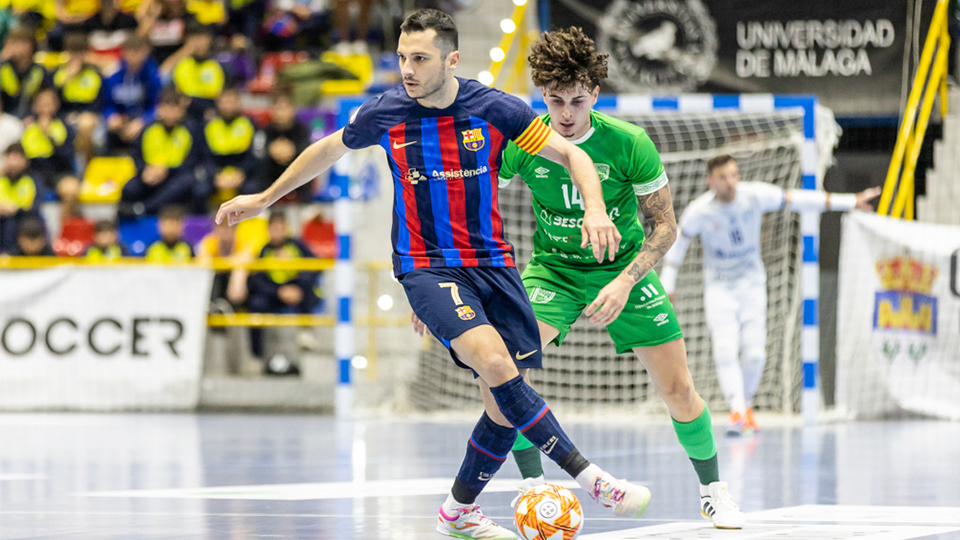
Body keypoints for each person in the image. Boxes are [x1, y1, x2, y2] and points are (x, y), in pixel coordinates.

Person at [217, 10, 645, 540]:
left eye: (419, 58)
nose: (407, 69)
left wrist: (596, 208)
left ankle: (458, 511)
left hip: (493, 265)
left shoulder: (495, 109)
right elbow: (326, 150)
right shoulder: (388, 111)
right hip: (425, 267)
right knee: (493, 362)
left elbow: (572, 157)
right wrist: (263, 198)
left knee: (505, 406)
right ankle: (592, 477)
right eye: (401, 57)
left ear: (452, 59)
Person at [412, 26, 746, 530]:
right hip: (555, 271)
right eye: (554, 100)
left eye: (576, 100)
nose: (565, 115)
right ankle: (533, 484)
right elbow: (470, 211)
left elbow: (666, 226)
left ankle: (713, 491)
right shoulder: (523, 141)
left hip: (623, 270)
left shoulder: (629, 143)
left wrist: (626, 281)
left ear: (594, 94)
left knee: (678, 388)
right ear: (541, 95)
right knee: (500, 369)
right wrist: (433, 281)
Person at [660, 155, 881, 435]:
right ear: (710, 181)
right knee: (726, 348)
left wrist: (849, 201)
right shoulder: (699, 210)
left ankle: (746, 406)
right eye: (723, 177)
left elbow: (800, 199)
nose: (730, 182)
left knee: (755, 355)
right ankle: (737, 411)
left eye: (734, 175)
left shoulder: (754, 196)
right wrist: (668, 283)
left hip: (752, 285)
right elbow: (679, 242)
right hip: (718, 288)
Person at [247, 212, 320, 369]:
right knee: (256, 304)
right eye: (274, 229)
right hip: (275, 293)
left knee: (308, 284)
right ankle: (256, 353)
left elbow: (315, 266)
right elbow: (258, 281)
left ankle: (306, 330)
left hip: (297, 290)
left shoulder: (297, 245)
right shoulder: (264, 250)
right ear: (268, 230)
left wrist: (297, 285)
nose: (278, 232)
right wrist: (279, 292)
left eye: (281, 228)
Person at [119, 88, 202, 218]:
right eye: (166, 107)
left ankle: (144, 209)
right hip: (149, 175)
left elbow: (192, 162)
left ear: (181, 110)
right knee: (129, 188)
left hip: (175, 177)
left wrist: (167, 170)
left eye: (174, 108)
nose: (170, 113)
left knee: (190, 182)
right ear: (160, 109)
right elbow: (136, 155)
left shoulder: (190, 130)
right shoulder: (148, 129)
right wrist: (145, 171)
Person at [21, 88, 82, 218]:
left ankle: (61, 233)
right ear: (35, 106)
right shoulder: (25, 126)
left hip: (58, 171)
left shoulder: (65, 126)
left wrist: (49, 135)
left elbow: (67, 155)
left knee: (71, 190)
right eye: (41, 103)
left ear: (56, 105)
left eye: (48, 103)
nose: (45, 107)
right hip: (32, 172)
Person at [103, 35, 162, 153]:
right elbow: (106, 104)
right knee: (103, 134)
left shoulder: (153, 76)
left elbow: (156, 107)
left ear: (145, 52)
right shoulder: (112, 75)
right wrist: (111, 116)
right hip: (120, 119)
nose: (134, 56)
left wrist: (142, 121)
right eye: (130, 52)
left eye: (138, 52)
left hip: (142, 120)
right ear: (124, 53)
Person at [201, 84, 257, 208]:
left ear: (238, 103)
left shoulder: (249, 124)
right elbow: (205, 157)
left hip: (241, 172)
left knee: (253, 188)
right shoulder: (209, 126)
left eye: (232, 102)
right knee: (200, 190)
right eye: (224, 102)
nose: (228, 106)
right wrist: (215, 176)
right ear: (218, 103)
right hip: (217, 173)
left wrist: (241, 173)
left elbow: (253, 155)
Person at [52, 32, 104, 165]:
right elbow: (51, 100)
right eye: (72, 52)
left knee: (85, 127)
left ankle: (85, 169)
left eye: (80, 52)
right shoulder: (59, 73)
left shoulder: (94, 72)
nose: (76, 56)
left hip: (90, 114)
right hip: (64, 115)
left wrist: (89, 114)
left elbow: (100, 100)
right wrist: (66, 79)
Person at [162, 20, 223, 119]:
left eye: (201, 38)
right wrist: (185, 50)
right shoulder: (181, 64)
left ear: (209, 39)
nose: (197, 42)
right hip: (184, 113)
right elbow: (162, 73)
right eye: (193, 38)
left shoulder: (218, 65)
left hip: (210, 110)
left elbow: (221, 96)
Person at [0, 144, 42, 253]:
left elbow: (35, 206)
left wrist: (15, 210)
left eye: (17, 159)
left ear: (25, 161)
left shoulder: (33, 180)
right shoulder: (2, 178)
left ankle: (10, 254)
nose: (14, 163)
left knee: (14, 224)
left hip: (23, 219)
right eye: (11, 158)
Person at [0, 28, 48, 118]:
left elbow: (47, 97)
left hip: (32, 117)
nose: (18, 47)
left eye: (22, 43)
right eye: (14, 43)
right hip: (5, 117)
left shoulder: (39, 70)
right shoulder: (3, 67)